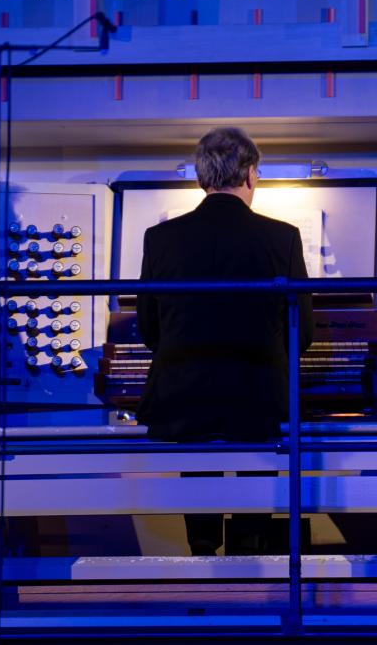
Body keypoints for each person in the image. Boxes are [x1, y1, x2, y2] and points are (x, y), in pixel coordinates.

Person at [136, 127, 313, 555]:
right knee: (257, 475)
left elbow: (147, 328)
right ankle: (250, 557)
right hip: (257, 393)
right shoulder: (282, 237)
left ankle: (201, 562)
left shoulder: (159, 238)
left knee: (198, 473)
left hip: (185, 393)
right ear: (251, 174)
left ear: (201, 177)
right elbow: (302, 332)